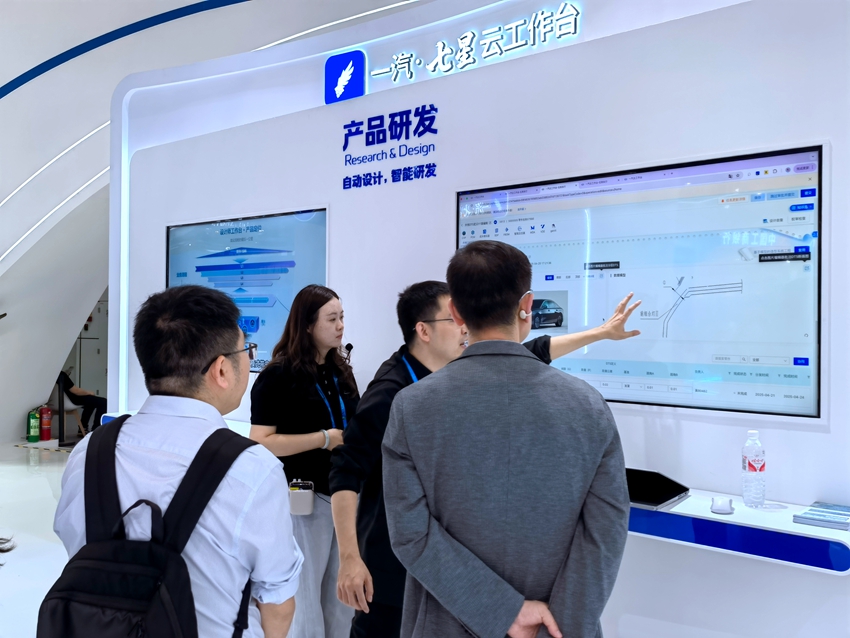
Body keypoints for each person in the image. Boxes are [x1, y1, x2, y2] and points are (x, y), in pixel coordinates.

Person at [331, 281, 640, 637]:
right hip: (394, 565)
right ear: (424, 331)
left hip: (443, 568)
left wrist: (601, 333)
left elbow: (532, 352)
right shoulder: (393, 395)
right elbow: (345, 470)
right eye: (453, 320)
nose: (464, 328)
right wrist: (350, 558)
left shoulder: (458, 374)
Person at [54, 285, 303, 638]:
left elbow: (76, 547)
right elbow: (277, 603)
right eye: (246, 349)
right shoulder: (252, 469)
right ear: (221, 370)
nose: (249, 359)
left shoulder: (89, 451)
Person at [250, 285, 360, 638]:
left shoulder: (340, 370)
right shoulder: (278, 375)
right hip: (304, 497)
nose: (340, 326)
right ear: (308, 325)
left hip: (345, 494)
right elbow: (262, 441)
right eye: (332, 319)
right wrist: (323, 438)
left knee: (342, 597)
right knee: (306, 595)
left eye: (342, 317)